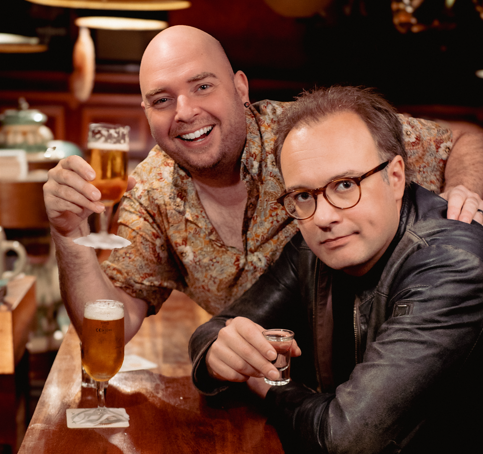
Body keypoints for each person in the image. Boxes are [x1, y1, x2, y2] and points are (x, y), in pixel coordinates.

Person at [43, 25, 483, 344]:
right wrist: (68, 235)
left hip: (374, 374)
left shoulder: (308, 136)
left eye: (202, 86)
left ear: (240, 88)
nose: (185, 111)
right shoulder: (149, 193)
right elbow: (109, 329)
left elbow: (465, 140)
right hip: (260, 391)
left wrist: (467, 187)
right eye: (162, 99)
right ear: (147, 112)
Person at [189, 85, 483, 453]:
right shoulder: (313, 249)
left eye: (345, 185)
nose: (323, 217)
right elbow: (216, 329)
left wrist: (267, 386)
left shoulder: (451, 262)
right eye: (303, 195)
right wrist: (218, 355)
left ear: (395, 177)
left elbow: (346, 439)